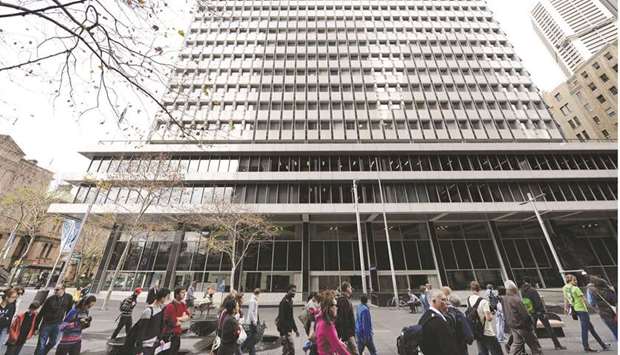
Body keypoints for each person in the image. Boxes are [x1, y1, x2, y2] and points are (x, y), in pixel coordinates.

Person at [563, 274, 610, 352]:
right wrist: (593, 308)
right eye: (574, 280)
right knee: (585, 329)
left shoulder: (564, 288)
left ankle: (603, 345)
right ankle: (586, 347)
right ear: (570, 281)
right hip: (582, 310)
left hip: (575, 309)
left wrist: (566, 308)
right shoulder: (576, 288)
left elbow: (566, 299)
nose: (576, 281)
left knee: (591, 328)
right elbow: (583, 300)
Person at [521, 282, 566, 350]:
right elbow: (538, 302)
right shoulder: (533, 290)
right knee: (549, 328)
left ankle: (537, 345)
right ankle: (557, 344)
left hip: (531, 312)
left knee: (533, 329)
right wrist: (543, 312)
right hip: (539, 312)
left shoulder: (522, 291)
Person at [502, 280, 542, 355]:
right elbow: (525, 314)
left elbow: (505, 312)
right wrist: (530, 323)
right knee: (534, 345)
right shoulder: (516, 299)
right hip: (522, 325)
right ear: (514, 289)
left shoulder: (504, 299)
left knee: (517, 343)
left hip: (512, 324)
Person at [35, 284, 74, 355]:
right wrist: (36, 327)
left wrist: (67, 323)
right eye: (55, 289)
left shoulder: (68, 297)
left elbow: (69, 311)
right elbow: (41, 313)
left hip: (58, 324)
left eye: (57, 290)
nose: (55, 291)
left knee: (53, 342)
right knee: (41, 344)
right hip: (46, 324)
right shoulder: (50, 299)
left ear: (63, 289)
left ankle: (43, 353)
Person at [467, 281, 502, 355]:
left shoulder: (468, 299)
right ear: (479, 289)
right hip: (487, 331)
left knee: (483, 352)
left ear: (471, 289)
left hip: (477, 331)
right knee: (497, 351)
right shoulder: (483, 301)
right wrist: (492, 314)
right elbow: (488, 318)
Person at [418, 290, 459, 355]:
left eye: (446, 299)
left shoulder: (424, 317)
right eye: (443, 300)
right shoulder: (437, 320)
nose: (446, 302)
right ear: (434, 301)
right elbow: (447, 346)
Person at [312, 290, 350, 355]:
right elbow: (339, 348)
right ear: (329, 307)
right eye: (335, 305)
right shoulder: (327, 325)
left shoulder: (320, 319)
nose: (337, 308)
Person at [134, 288, 170, 355]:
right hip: (145, 347)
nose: (168, 300)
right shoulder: (148, 311)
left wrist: (160, 339)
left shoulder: (160, 309)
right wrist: (139, 350)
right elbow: (141, 331)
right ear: (162, 298)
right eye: (168, 297)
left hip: (154, 345)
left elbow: (159, 327)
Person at [442, 287, 473, 355]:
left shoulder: (440, 313)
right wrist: (469, 340)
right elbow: (468, 334)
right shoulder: (458, 313)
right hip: (459, 345)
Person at [587, 275, 617, 340]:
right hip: (615, 310)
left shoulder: (592, 291)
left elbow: (591, 303)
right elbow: (615, 300)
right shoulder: (609, 289)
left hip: (604, 312)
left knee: (614, 329)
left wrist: (596, 309)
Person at [163, 287, 190, 355]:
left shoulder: (183, 304)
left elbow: (187, 317)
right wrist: (182, 319)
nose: (184, 294)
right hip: (170, 335)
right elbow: (173, 322)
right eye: (182, 292)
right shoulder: (170, 306)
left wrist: (178, 318)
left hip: (177, 335)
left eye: (185, 292)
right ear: (177, 294)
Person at [336, 282, 358, 355]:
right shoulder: (343, 300)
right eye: (350, 287)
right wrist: (344, 336)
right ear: (347, 288)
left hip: (348, 333)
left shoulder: (345, 299)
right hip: (348, 334)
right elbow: (343, 319)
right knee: (354, 352)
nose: (351, 289)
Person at [277, 284, 299, 355]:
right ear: (288, 291)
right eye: (292, 291)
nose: (294, 293)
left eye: (295, 291)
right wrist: (282, 334)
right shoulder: (283, 302)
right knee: (291, 349)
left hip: (288, 330)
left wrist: (295, 329)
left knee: (287, 350)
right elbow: (281, 318)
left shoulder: (290, 301)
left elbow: (291, 317)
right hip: (285, 331)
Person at [243, 288, 261, 355]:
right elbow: (251, 312)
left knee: (252, 338)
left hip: (252, 322)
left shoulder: (254, 300)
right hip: (251, 322)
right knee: (251, 338)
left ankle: (252, 352)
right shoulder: (253, 301)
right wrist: (254, 322)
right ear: (258, 293)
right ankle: (243, 347)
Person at [0, 288, 18, 354]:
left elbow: (9, 318)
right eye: (13, 297)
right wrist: (5, 318)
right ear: (7, 297)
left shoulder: (12, 306)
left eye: (15, 297)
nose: (14, 299)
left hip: (4, 329)